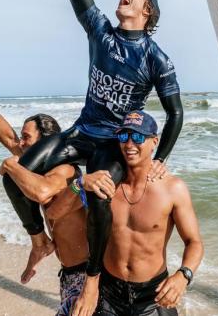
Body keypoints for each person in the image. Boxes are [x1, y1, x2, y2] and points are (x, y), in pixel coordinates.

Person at [6, 0, 184, 315]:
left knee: (101, 197)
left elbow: (175, 114)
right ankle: (39, 240)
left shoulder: (157, 58)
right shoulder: (100, 31)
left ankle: (91, 280)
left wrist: (161, 161)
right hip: (81, 131)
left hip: (111, 144)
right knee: (16, 176)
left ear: (148, 12)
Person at [0, 85, 110, 315]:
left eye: (27, 138)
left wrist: (8, 165)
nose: (20, 144)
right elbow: (9, 139)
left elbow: (42, 193)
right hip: (69, 273)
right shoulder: (35, 168)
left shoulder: (63, 170)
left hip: (86, 275)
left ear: (46, 144)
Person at [86, 110, 203, 316]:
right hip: (108, 292)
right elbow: (64, 205)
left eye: (138, 137)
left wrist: (183, 276)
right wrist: (80, 182)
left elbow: (194, 242)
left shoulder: (172, 189)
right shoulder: (106, 184)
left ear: (154, 141)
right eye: (124, 136)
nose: (129, 144)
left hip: (153, 296)